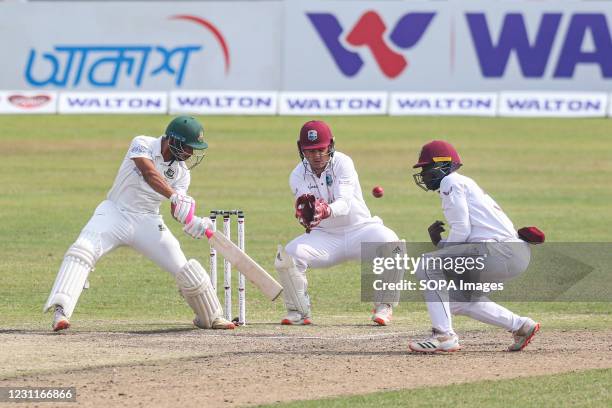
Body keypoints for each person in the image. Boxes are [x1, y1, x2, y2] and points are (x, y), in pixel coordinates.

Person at [43, 116, 234, 332]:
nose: (190, 153)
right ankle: (60, 312)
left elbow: (177, 209)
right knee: (83, 249)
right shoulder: (143, 143)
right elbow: (148, 172)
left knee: (184, 269)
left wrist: (191, 221)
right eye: (188, 147)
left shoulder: (182, 173)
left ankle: (210, 316)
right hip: (115, 212)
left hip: (149, 221)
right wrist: (173, 196)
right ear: (173, 140)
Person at [408, 140, 541, 352]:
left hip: (499, 252)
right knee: (456, 300)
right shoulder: (463, 183)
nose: (424, 174)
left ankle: (443, 336)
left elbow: (461, 230)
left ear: (445, 164)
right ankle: (521, 326)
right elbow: (470, 233)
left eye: (426, 167)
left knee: (427, 264)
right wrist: (442, 243)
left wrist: (442, 247)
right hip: (513, 254)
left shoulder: (450, 181)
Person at [274, 120, 405, 326]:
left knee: (392, 242)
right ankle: (298, 311)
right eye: (310, 151)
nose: (316, 156)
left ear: (331, 145)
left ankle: (384, 306)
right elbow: (304, 207)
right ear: (301, 149)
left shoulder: (343, 163)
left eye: (321, 149)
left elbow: (344, 204)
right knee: (287, 256)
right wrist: (305, 215)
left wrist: (325, 210)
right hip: (325, 237)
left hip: (360, 230)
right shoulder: (297, 175)